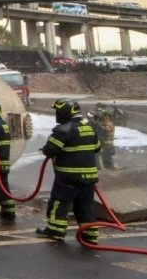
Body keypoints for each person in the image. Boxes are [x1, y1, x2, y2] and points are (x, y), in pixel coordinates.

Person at [37, 98, 101, 243]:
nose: (56, 115)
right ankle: (90, 234)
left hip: (68, 178)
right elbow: (97, 148)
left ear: (64, 113)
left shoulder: (63, 130)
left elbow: (50, 150)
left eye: (58, 112)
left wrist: (46, 150)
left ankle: (55, 230)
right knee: (85, 206)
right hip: (89, 178)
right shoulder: (88, 128)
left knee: (58, 203)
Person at [89, 103, 116, 171]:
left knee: (105, 154)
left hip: (107, 142)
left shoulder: (107, 123)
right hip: (104, 141)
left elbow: (106, 130)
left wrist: (101, 126)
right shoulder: (102, 118)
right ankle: (107, 166)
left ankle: (107, 167)